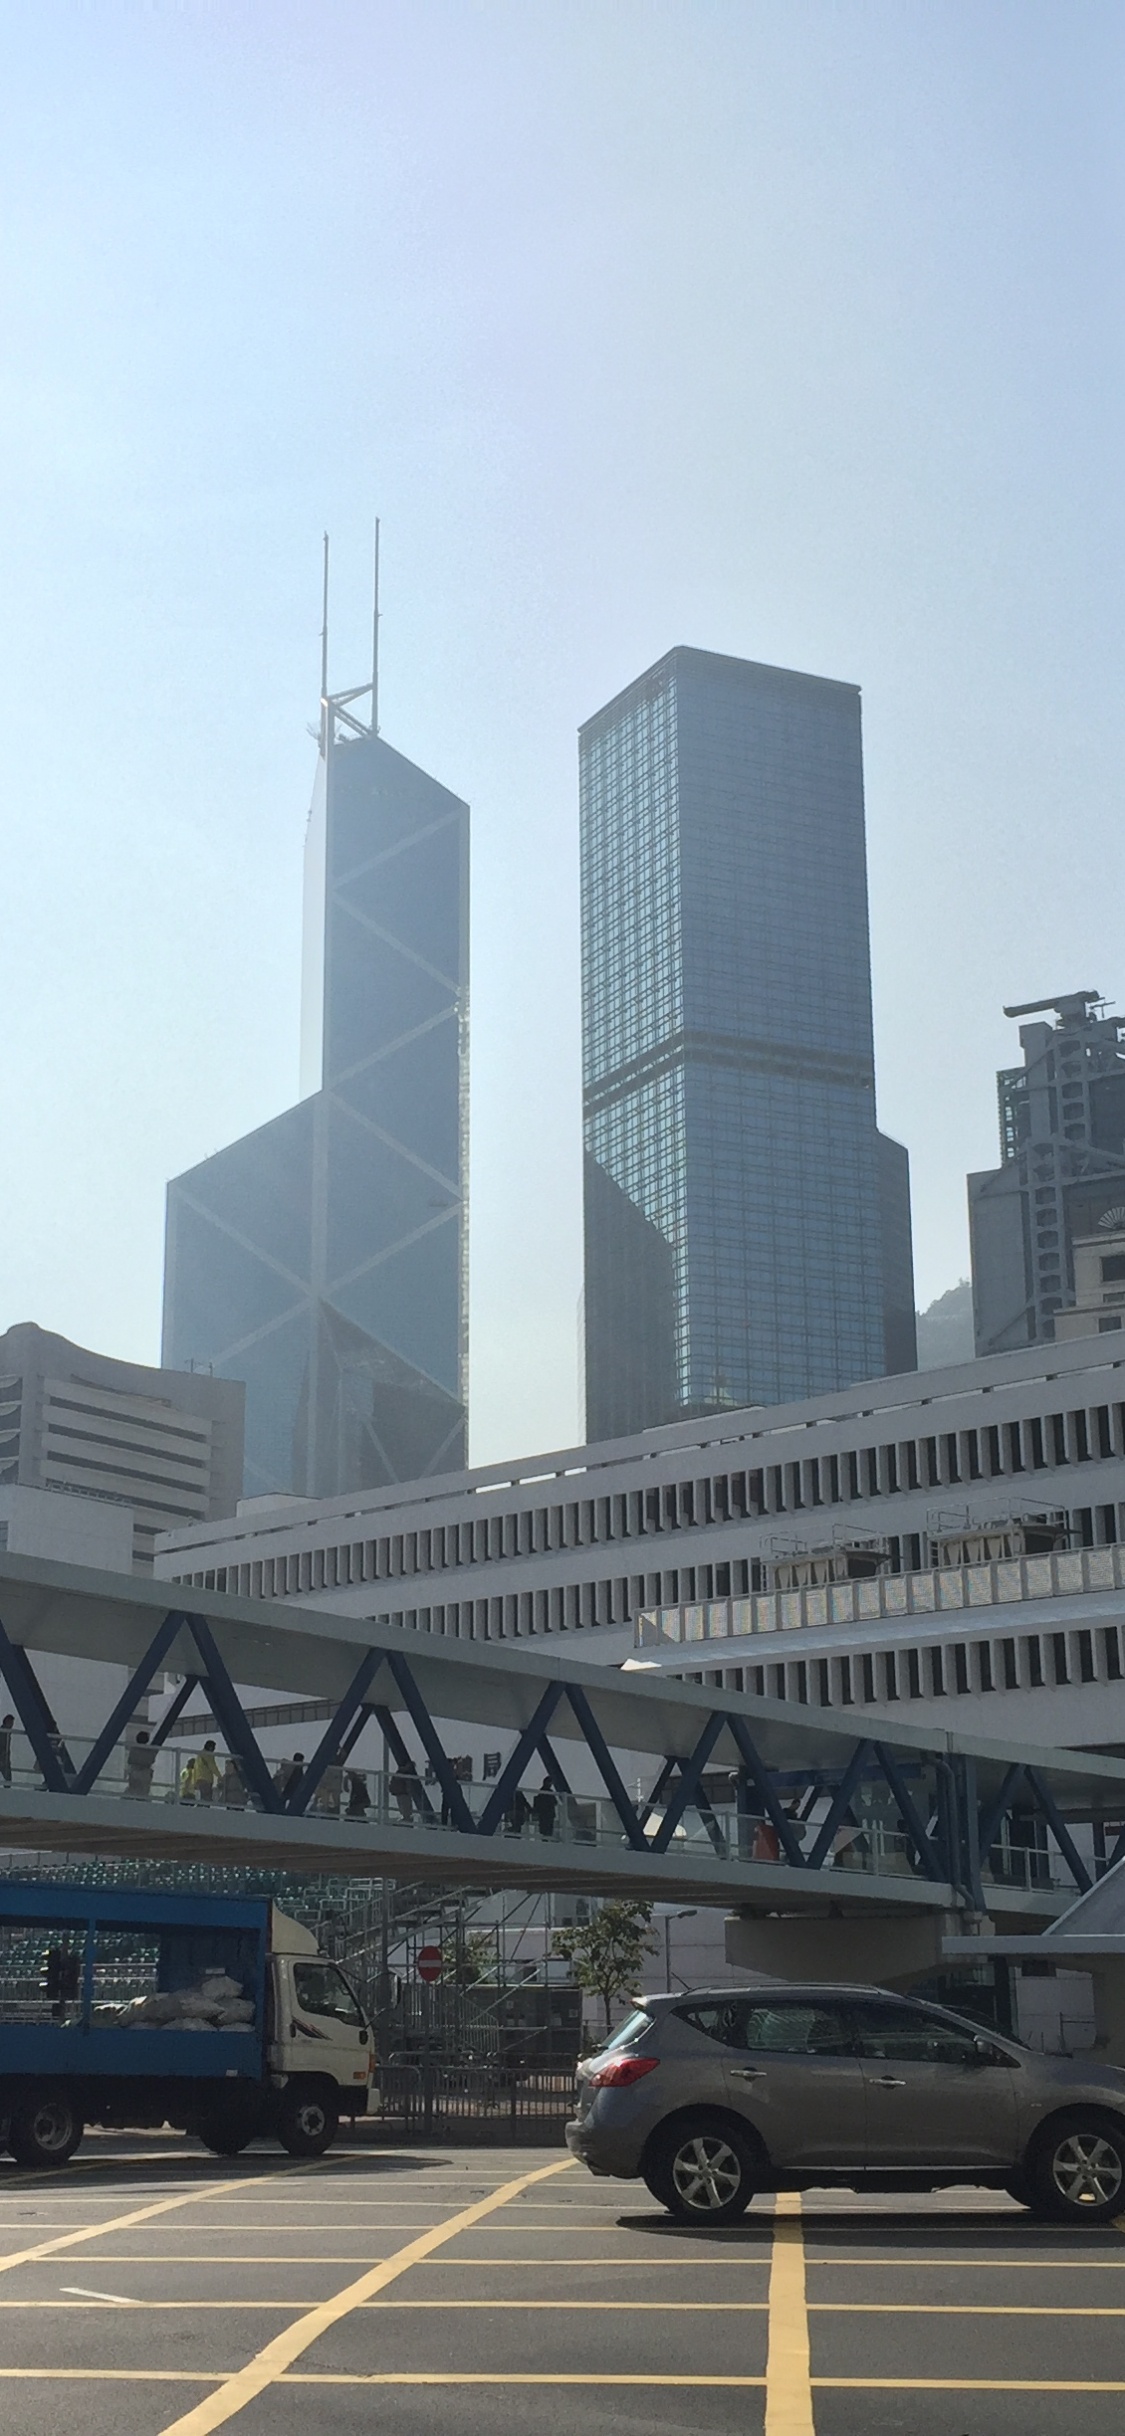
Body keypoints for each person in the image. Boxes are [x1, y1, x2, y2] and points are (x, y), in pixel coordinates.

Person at [125, 1728, 155, 1800]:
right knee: (143, 1793)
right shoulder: (149, 1750)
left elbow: (130, 1760)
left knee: (132, 1790)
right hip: (145, 1773)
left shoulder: (134, 1749)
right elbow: (151, 1760)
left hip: (134, 1771)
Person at [0, 1713, 13, 1788]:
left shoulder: (6, 1733)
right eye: (11, 1722)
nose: (12, 1724)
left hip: (4, 1759)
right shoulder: (3, 1733)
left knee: (7, 1779)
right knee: (8, 1779)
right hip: (3, 1759)